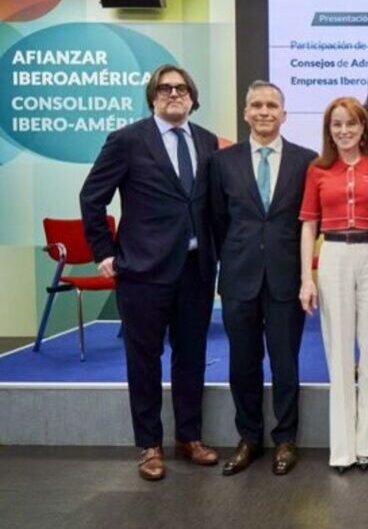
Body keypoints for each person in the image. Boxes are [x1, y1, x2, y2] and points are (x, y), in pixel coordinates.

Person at [79, 64, 220, 481]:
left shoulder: (208, 141)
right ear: (152, 96)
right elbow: (92, 198)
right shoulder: (127, 141)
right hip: (143, 271)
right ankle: (150, 446)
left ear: (192, 97)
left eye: (181, 88)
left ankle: (189, 438)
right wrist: (104, 252)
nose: (173, 94)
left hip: (196, 269)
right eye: (165, 88)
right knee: (143, 360)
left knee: (191, 357)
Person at [208, 81, 316, 477]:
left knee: (286, 363)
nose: (264, 111)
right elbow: (218, 220)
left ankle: (286, 438)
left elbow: (308, 221)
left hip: (286, 278)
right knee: (243, 363)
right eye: (256, 105)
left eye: (272, 105)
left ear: (284, 114)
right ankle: (249, 437)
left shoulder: (307, 161)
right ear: (245, 113)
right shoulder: (224, 162)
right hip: (239, 278)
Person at [298, 97, 368, 473]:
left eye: (351, 123)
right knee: (338, 353)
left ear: (363, 127)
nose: (344, 130)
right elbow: (307, 226)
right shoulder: (318, 170)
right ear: (328, 130)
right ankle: (343, 448)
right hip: (334, 255)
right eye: (337, 124)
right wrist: (307, 278)